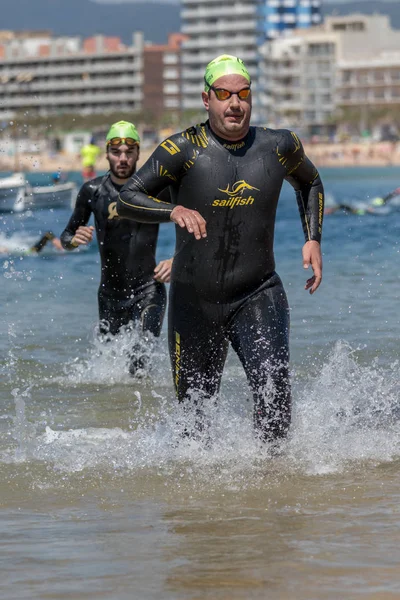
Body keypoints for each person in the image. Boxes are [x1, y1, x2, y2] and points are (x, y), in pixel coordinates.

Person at [116, 55, 324, 443]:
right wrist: (172, 209)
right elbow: (127, 196)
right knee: (193, 427)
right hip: (193, 300)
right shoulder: (181, 149)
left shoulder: (278, 145)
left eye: (243, 93)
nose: (235, 103)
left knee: (275, 404)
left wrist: (312, 238)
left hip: (257, 292)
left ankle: (274, 492)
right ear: (206, 98)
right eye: (224, 94)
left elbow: (310, 182)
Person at [61, 121, 173, 376]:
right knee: (110, 373)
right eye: (116, 152)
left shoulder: (155, 189)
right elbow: (67, 236)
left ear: (138, 153)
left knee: (139, 365)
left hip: (148, 290)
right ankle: (115, 416)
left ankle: (145, 414)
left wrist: (176, 260)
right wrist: (74, 240)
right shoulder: (92, 190)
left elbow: (193, 223)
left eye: (129, 152)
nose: (122, 158)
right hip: (110, 295)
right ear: (107, 153)